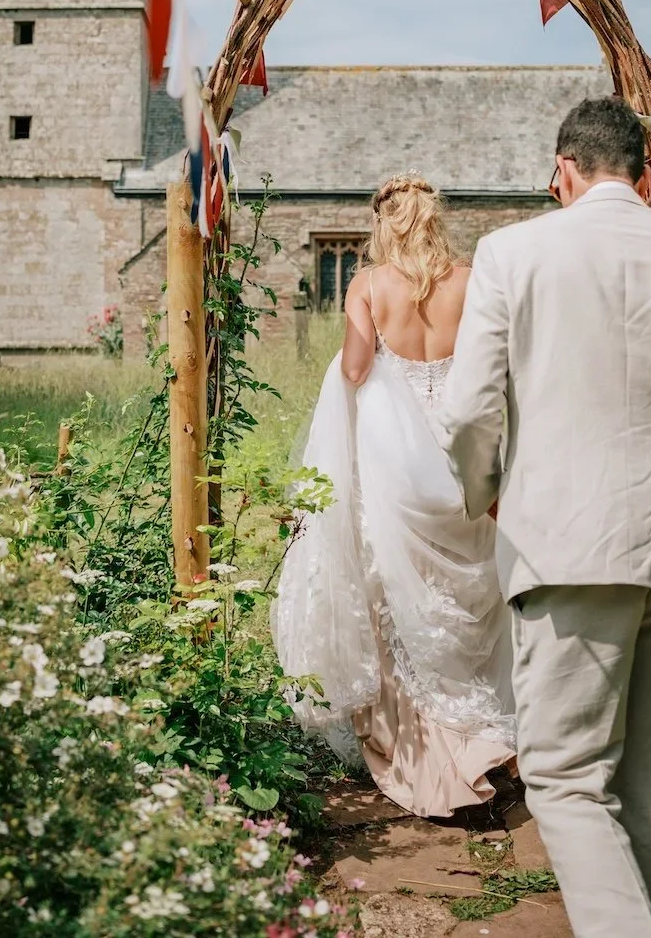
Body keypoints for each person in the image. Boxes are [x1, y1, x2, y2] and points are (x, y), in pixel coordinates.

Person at [440, 97, 651, 937]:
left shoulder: (510, 253)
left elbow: (467, 412)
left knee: (562, 775)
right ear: (642, 172)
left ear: (563, 170)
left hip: (566, 544)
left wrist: (486, 488)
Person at [273, 175, 516, 817]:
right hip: (465, 460)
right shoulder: (470, 280)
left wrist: (367, 346)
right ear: (436, 220)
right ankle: (486, 737)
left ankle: (424, 754)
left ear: (385, 224)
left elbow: (355, 370)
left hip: (399, 466)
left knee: (396, 596)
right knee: (471, 592)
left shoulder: (370, 285)